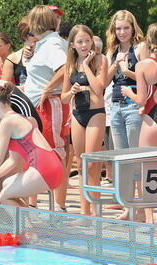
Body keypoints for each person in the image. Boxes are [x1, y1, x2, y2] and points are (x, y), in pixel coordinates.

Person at [0, 84, 63, 207]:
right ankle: (26, 223)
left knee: (4, 196)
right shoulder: (20, 117)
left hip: (44, 170)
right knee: (6, 184)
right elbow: (13, 161)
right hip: (53, 167)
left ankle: (24, 226)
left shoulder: (7, 121)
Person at [25, 5, 69, 211]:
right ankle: (50, 204)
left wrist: (47, 89)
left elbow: (64, 68)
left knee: (55, 152)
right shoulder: (44, 43)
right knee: (42, 153)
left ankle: (58, 206)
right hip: (39, 106)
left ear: (37, 23)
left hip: (49, 105)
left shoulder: (52, 44)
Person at [61, 25, 107, 216]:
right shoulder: (69, 65)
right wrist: (71, 92)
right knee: (80, 164)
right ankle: (84, 212)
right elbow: (63, 97)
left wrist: (87, 66)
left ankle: (96, 211)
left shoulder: (100, 60)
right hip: (78, 114)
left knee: (92, 163)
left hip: (95, 113)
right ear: (72, 44)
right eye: (79, 42)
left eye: (87, 41)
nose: (84, 45)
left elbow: (99, 88)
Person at [105, 10, 146, 220]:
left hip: (133, 106)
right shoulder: (112, 50)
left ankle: (140, 206)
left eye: (125, 28)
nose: (122, 32)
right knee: (122, 160)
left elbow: (147, 78)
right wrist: (114, 65)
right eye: (118, 28)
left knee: (136, 158)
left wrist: (126, 69)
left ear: (133, 28)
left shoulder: (140, 48)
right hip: (116, 106)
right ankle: (128, 206)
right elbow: (104, 81)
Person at [120, 23, 157, 223]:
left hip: (152, 119)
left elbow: (141, 100)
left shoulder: (144, 66)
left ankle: (149, 217)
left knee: (148, 169)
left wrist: (128, 92)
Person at [2, 17, 36, 86]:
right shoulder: (12, 59)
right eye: (33, 34)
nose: (38, 36)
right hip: (22, 95)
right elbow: (5, 87)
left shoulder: (45, 52)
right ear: (24, 36)